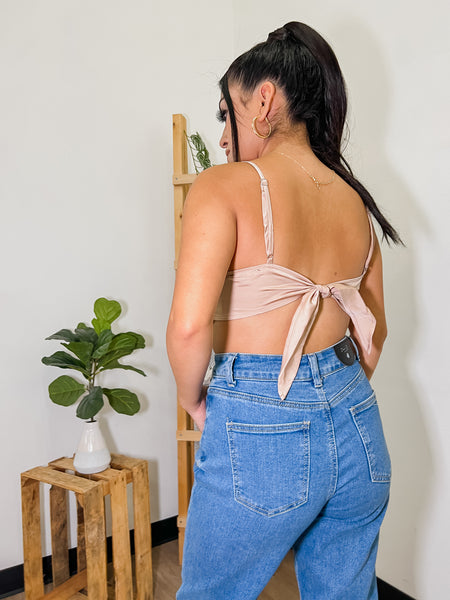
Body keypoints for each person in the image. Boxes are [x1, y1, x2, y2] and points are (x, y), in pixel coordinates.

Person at [166, 21, 401, 600]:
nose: (222, 137)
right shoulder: (355, 201)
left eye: (227, 113)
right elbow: (375, 334)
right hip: (358, 425)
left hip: (261, 420)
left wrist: (197, 399)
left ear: (263, 99)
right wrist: (331, 399)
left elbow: (189, 326)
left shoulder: (223, 187)